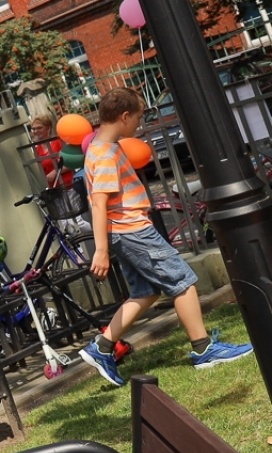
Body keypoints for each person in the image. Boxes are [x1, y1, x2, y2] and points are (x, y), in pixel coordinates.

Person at [78, 87, 253, 386]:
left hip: (124, 231)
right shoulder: (105, 154)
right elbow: (98, 204)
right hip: (133, 231)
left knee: (145, 292)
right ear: (124, 116)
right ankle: (204, 350)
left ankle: (102, 347)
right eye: (138, 117)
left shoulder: (99, 147)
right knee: (182, 282)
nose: (139, 124)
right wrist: (101, 251)